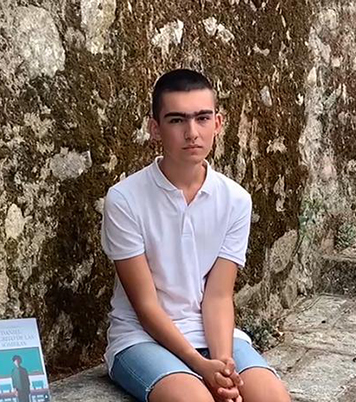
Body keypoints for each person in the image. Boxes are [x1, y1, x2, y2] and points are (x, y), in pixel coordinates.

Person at [101, 69, 291, 402]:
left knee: (273, 398)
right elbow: (145, 305)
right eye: (177, 120)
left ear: (218, 123)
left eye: (202, 118)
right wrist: (199, 366)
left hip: (208, 333)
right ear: (155, 128)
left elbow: (218, 296)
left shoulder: (235, 200)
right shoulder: (125, 199)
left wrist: (222, 366)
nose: (192, 133)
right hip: (140, 338)